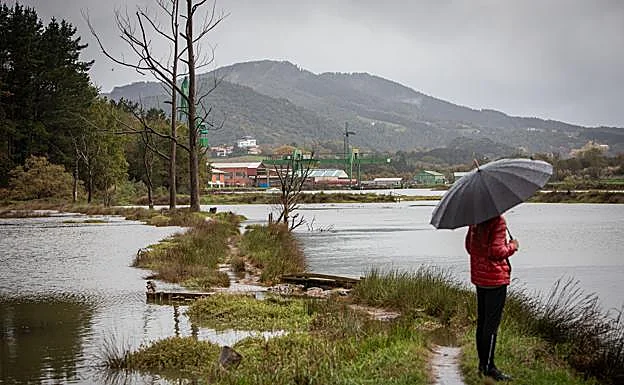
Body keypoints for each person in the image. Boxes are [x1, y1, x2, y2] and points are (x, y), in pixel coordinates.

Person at [465, 215, 518, 382]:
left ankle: (483, 365)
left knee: (482, 323)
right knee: (491, 326)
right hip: (495, 279)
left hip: (480, 279)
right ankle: (489, 368)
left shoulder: (474, 220)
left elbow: (469, 247)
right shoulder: (498, 221)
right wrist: (512, 246)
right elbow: (496, 252)